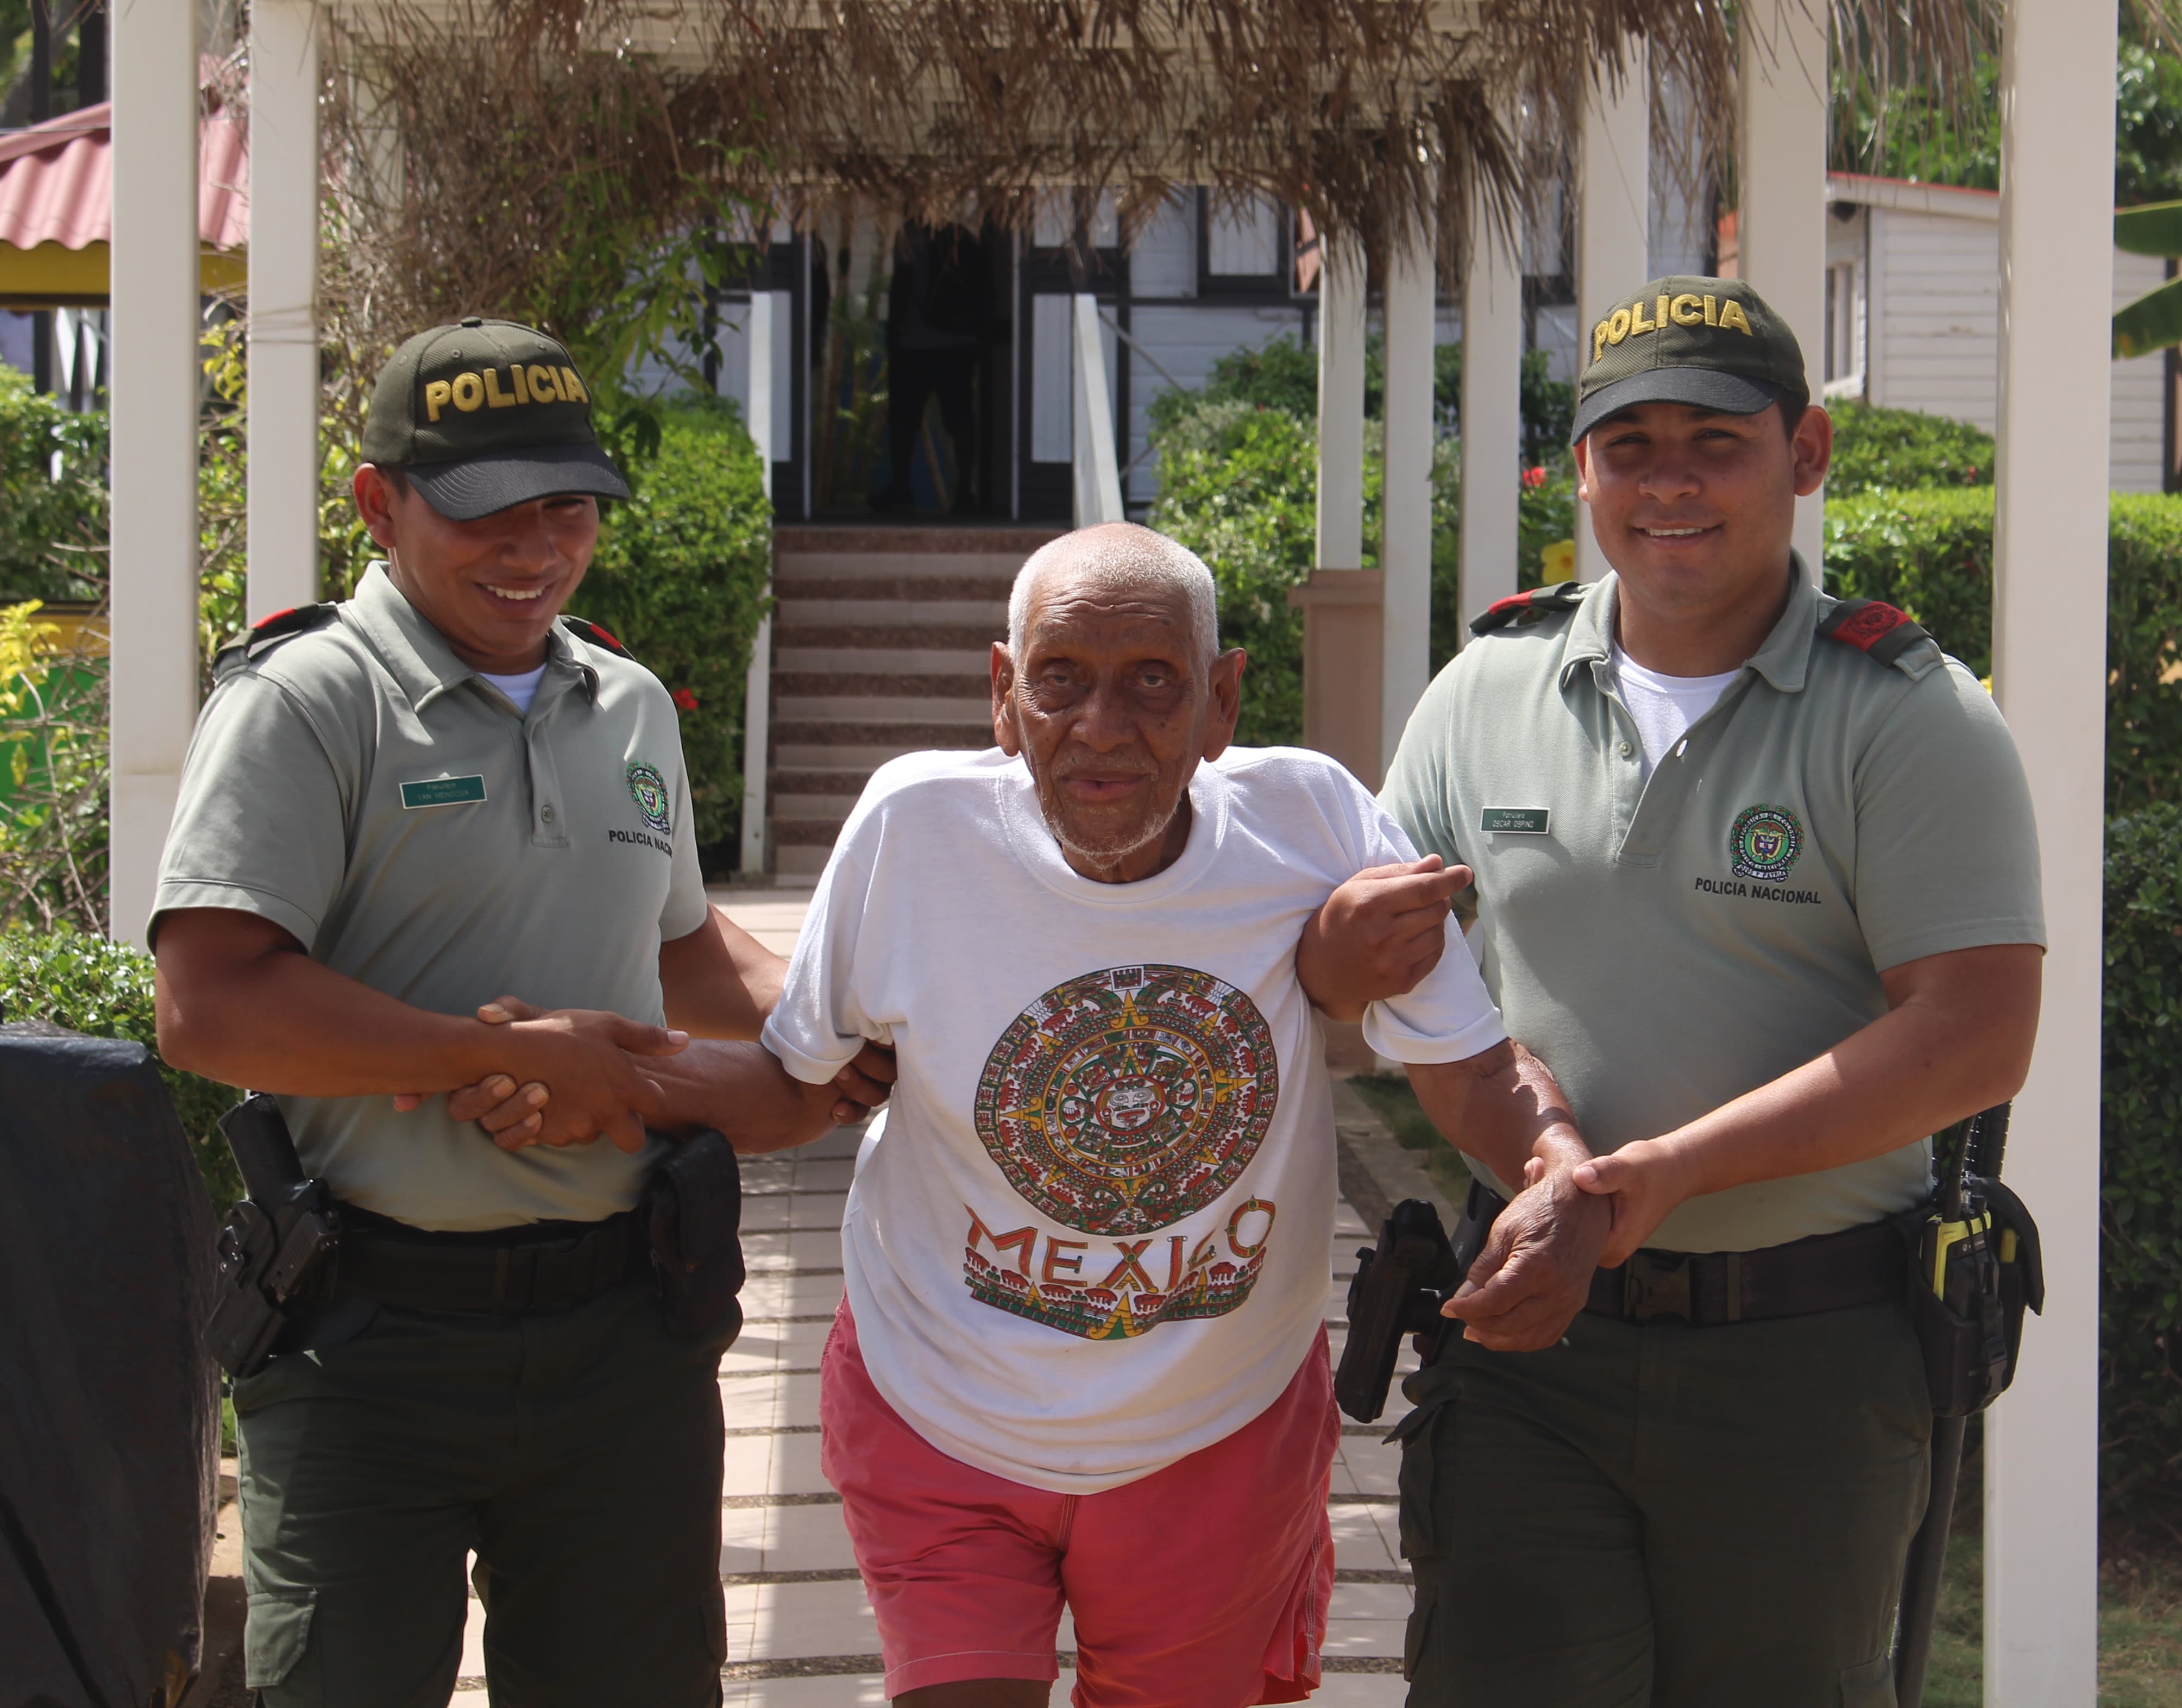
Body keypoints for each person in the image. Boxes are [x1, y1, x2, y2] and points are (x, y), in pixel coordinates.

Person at [722, 521, 1609, 1708]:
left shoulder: (1315, 828)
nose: (1104, 727)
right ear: (1002, 696)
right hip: (937, 1402)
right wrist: (593, 1072)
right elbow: (797, 1074)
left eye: (1153, 680)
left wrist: (1558, 1173)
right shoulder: (912, 830)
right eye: (1061, 681)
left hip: (1218, 1433)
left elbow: (1469, 1065)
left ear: (1222, 698)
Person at [150, 318, 881, 1708]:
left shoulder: (628, 703)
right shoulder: (310, 701)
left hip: (627, 1329)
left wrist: (841, 1024)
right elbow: (210, 1002)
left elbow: (683, 949)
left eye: (568, 507)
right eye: (487, 512)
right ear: (378, 503)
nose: (536, 547)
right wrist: (499, 1059)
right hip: (368, 1338)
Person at [1368, 275, 2049, 1706]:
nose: (1667, 484)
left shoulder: (1910, 717)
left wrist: (1657, 1179)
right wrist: (1557, 1177)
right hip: (1527, 1350)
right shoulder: (1482, 689)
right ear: (1582, 470)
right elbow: (1415, 985)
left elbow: (1977, 1033)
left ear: (1803, 456)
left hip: (1802, 1368)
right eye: (1630, 448)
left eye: (1714, 443)